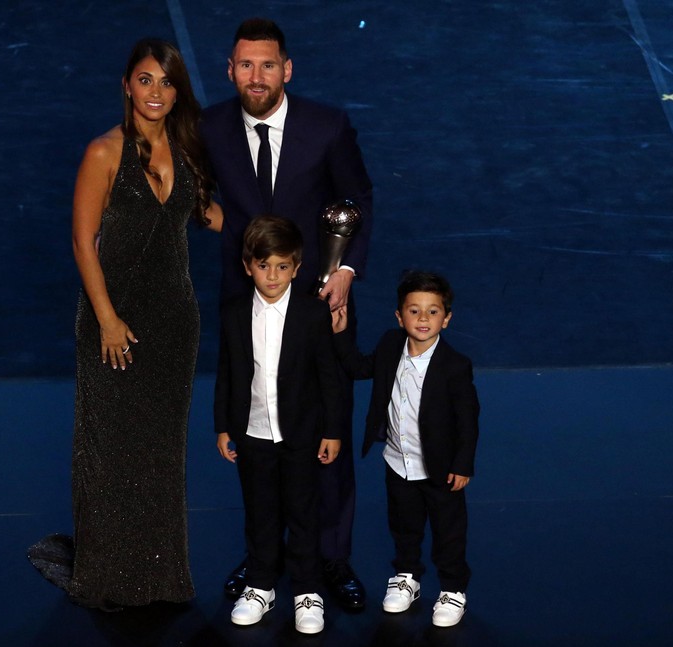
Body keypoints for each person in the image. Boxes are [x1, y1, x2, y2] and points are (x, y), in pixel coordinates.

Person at [28, 38, 221, 610]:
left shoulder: (187, 152)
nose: (156, 93)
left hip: (175, 323)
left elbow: (210, 216)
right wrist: (108, 319)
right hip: (114, 321)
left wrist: (275, 222)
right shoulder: (103, 153)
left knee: (161, 451)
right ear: (126, 85)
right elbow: (82, 242)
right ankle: (110, 575)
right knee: (112, 448)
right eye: (145, 80)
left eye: (166, 82)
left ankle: (159, 575)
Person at [201, 16, 373, 610]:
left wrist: (345, 274)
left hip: (319, 303)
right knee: (259, 437)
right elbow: (186, 191)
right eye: (245, 65)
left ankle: (331, 557)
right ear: (230, 70)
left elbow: (357, 201)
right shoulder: (211, 126)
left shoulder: (327, 126)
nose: (256, 76)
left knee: (325, 428)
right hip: (245, 302)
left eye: (267, 64)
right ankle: (264, 561)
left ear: (287, 70)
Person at [214, 216, 344, 634]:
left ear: (297, 267)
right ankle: (260, 586)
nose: (273, 275)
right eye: (264, 265)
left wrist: (333, 430)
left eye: (282, 266)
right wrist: (223, 426)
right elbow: (227, 374)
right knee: (260, 513)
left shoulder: (311, 313)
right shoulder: (234, 313)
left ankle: (308, 592)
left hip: (302, 434)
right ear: (247, 264)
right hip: (252, 434)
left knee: (303, 513)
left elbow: (329, 375)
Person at [331, 271, 480, 627]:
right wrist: (339, 333)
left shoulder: (455, 366)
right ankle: (406, 577)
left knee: (448, 531)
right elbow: (356, 367)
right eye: (414, 311)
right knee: (404, 525)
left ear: (447, 318)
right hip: (398, 462)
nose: (423, 319)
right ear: (399, 316)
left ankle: (452, 589)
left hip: (441, 468)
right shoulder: (388, 345)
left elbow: (468, 420)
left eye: (432, 312)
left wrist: (463, 464)